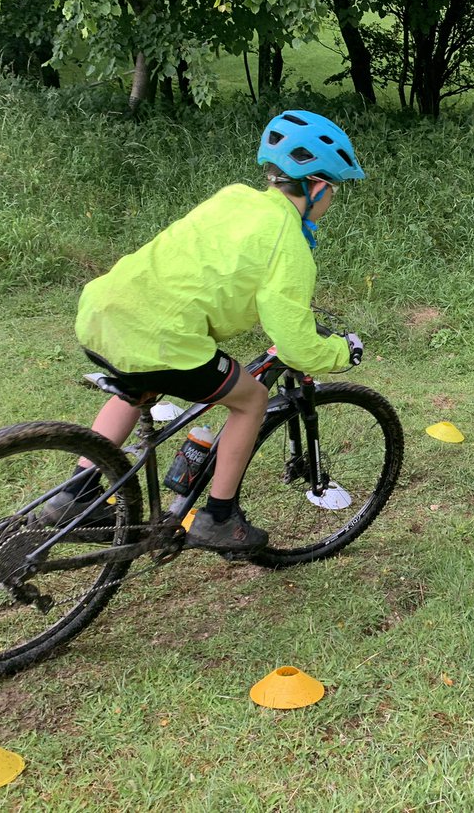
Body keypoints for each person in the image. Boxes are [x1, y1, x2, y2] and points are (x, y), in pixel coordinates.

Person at [35, 110, 366, 552]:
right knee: (251, 400)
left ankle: (74, 494)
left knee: (136, 387)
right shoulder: (288, 243)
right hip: (163, 337)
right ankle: (218, 517)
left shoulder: (232, 198)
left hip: (104, 310)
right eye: (333, 192)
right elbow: (296, 344)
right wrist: (343, 353)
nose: (331, 202)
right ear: (318, 187)